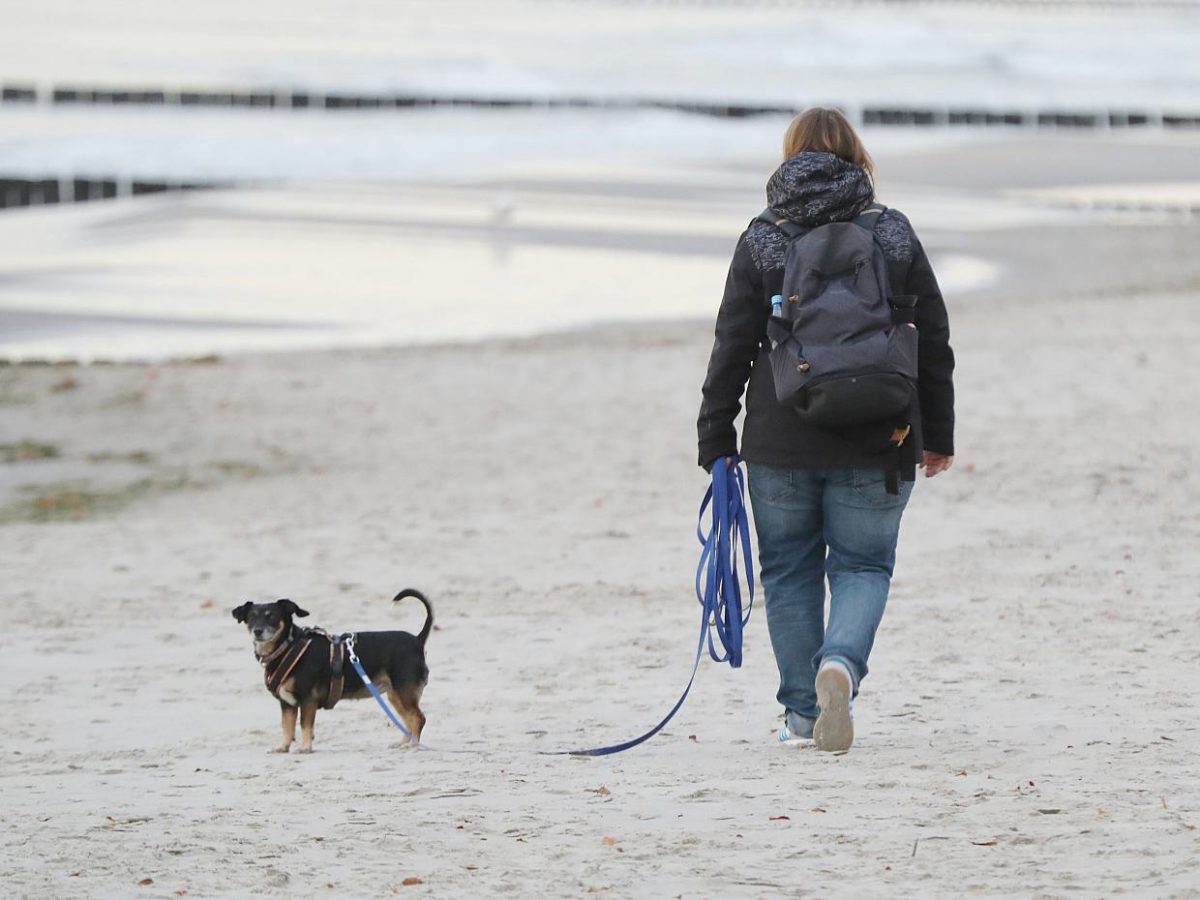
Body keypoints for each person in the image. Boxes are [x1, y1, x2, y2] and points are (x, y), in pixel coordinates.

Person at [696, 107, 955, 752]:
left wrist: (716, 438)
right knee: (864, 565)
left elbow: (732, 343)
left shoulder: (762, 237)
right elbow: (934, 340)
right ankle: (839, 664)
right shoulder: (891, 233)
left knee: (789, 573)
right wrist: (939, 433)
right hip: (883, 433)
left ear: (790, 156)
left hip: (781, 438)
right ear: (856, 156)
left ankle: (802, 717)